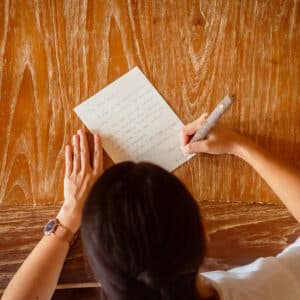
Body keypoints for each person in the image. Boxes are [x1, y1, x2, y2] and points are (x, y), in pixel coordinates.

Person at [2, 113, 300, 300]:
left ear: (96, 265)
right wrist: (239, 145)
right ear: (203, 229)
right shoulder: (271, 288)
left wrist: (68, 217)